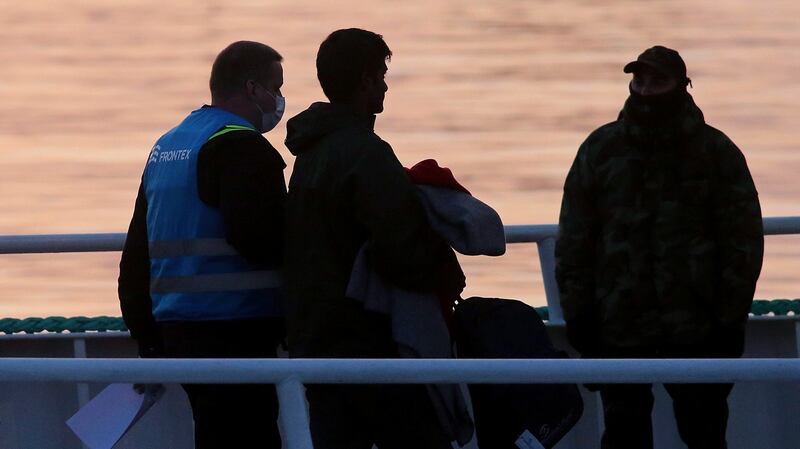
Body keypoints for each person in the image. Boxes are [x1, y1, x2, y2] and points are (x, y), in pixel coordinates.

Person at [555, 45, 764, 449]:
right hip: (618, 326)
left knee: (705, 434)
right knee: (624, 435)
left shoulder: (716, 152)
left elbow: (742, 242)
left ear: (683, 87)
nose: (647, 90)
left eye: (658, 81)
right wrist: (579, 318)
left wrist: (729, 320)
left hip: (698, 327)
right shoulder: (600, 150)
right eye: (640, 81)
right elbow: (575, 242)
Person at [283, 28, 463, 449]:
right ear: (364, 80)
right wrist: (444, 269)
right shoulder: (365, 153)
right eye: (381, 75)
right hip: (368, 344)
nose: (384, 84)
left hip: (316, 341)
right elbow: (400, 249)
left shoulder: (310, 153)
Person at [118, 41, 287, 449]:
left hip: (176, 329)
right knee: (249, 436)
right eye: (276, 88)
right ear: (252, 89)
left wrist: (148, 335)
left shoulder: (168, 146)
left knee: (213, 433)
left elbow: (137, 251)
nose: (280, 101)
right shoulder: (241, 147)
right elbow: (259, 239)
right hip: (236, 329)